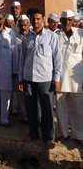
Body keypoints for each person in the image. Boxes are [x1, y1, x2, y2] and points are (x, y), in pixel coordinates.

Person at [19, 8, 62, 149]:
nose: (36, 21)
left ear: (43, 19)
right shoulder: (27, 38)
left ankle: (49, 137)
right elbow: (22, 60)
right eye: (33, 18)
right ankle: (33, 133)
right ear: (30, 19)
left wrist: (56, 79)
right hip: (28, 78)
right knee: (30, 108)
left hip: (45, 78)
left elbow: (57, 59)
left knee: (47, 109)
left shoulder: (51, 36)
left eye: (38, 18)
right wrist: (21, 78)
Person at [55, 10, 83, 147]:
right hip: (59, 78)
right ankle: (63, 133)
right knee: (60, 107)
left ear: (73, 21)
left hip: (78, 79)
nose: (67, 22)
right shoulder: (55, 35)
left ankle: (79, 135)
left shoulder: (81, 34)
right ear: (60, 20)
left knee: (78, 108)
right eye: (64, 20)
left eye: (70, 20)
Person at [11, 14, 29, 122]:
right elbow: (12, 55)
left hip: (31, 72)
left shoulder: (32, 37)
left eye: (25, 25)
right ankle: (25, 116)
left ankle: (36, 116)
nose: (23, 27)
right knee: (21, 96)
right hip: (18, 72)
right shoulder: (15, 39)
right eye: (21, 25)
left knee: (31, 96)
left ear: (28, 24)